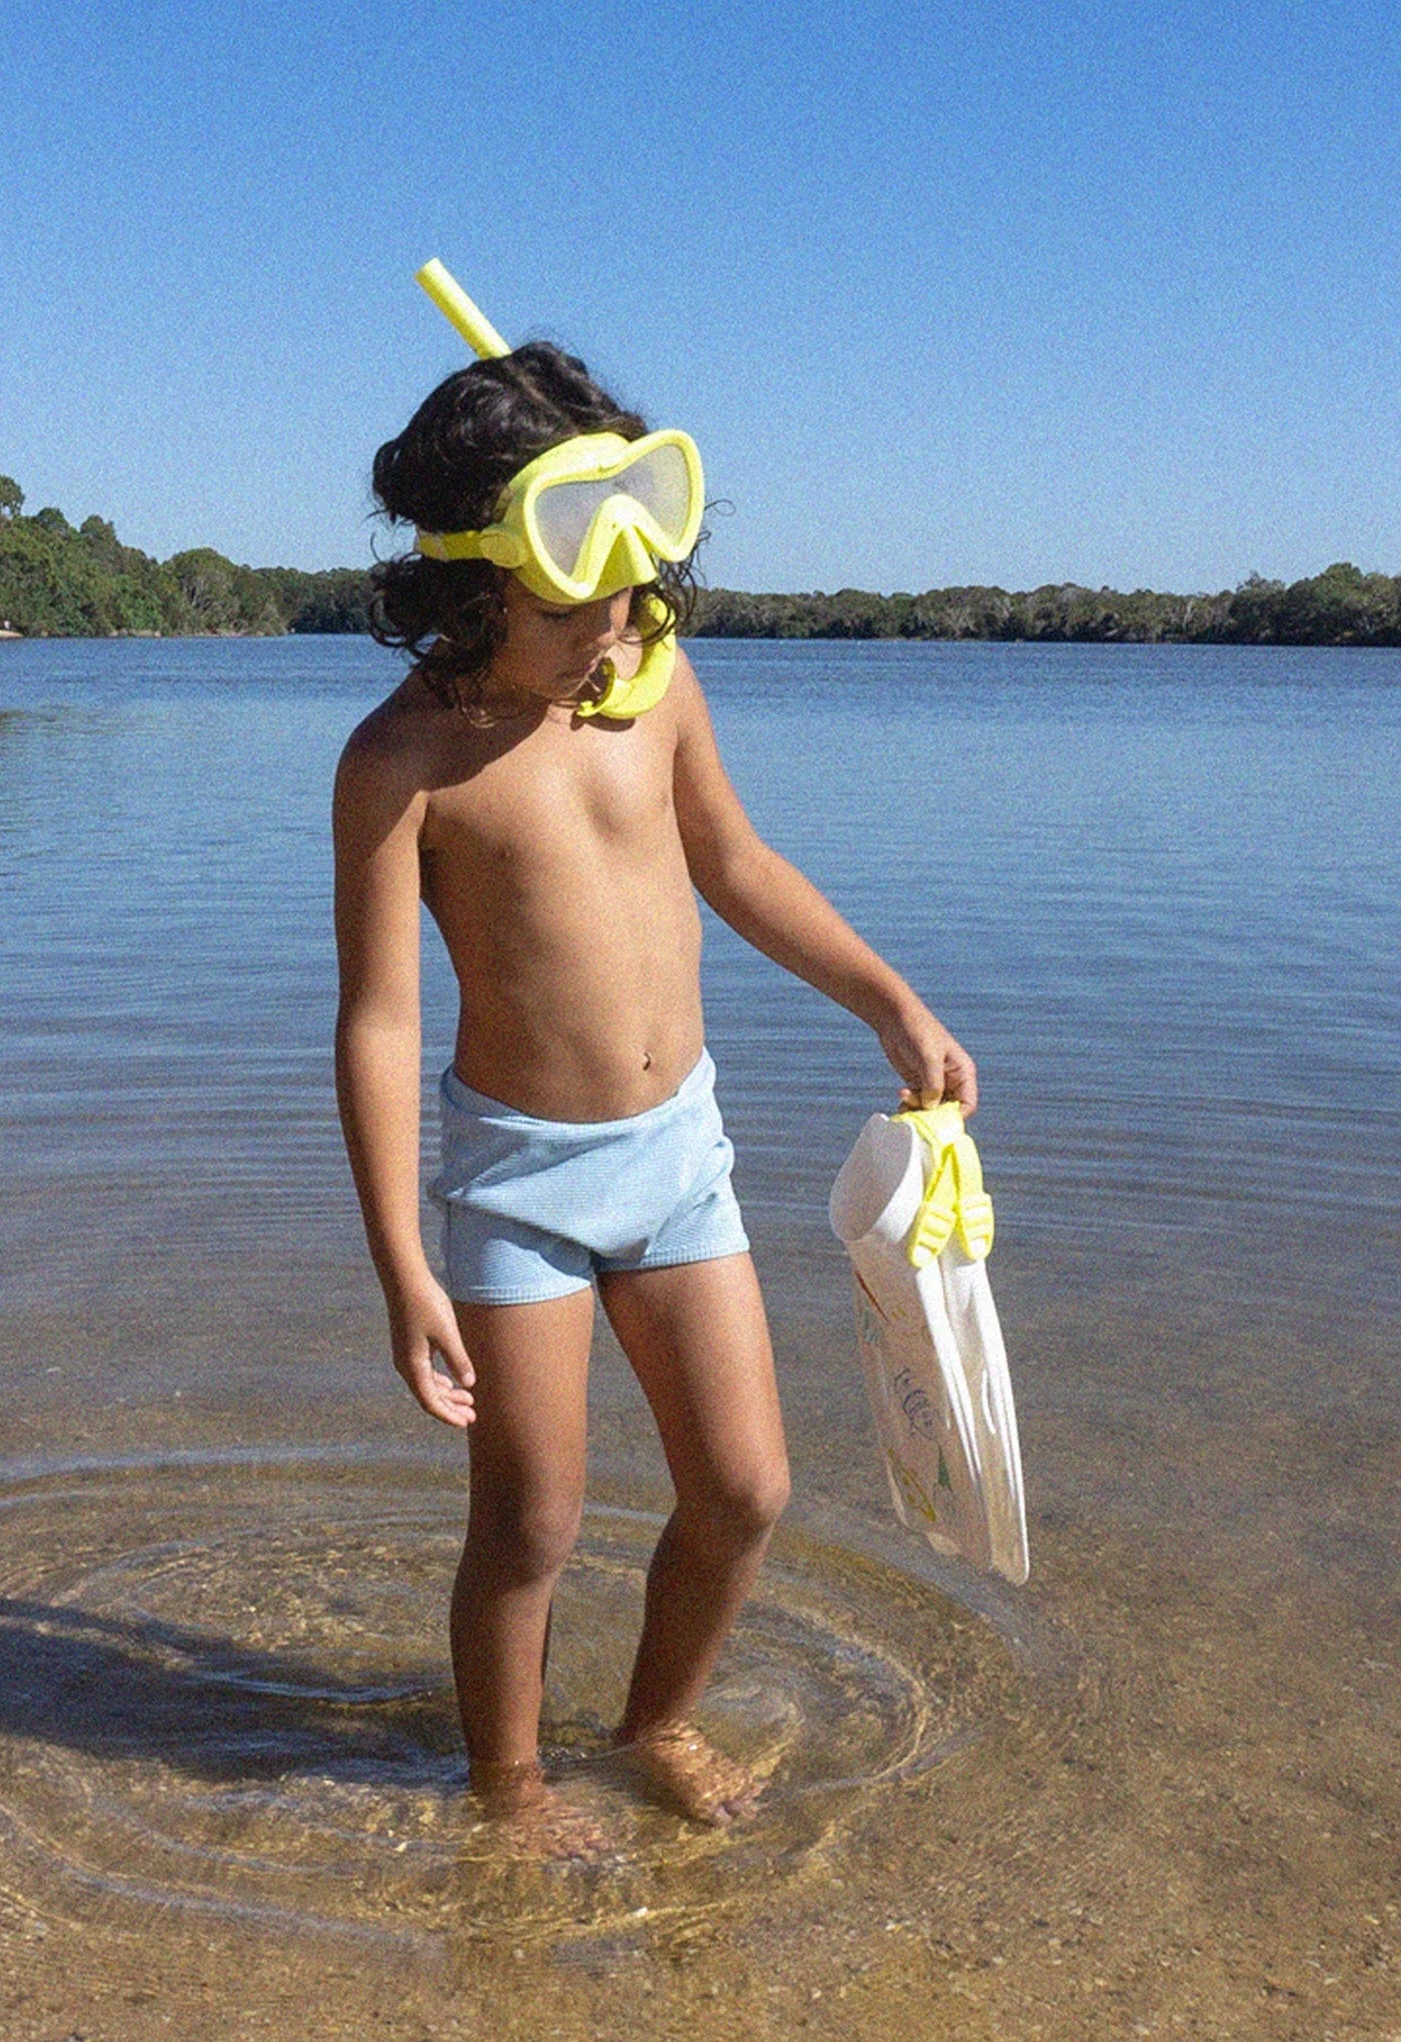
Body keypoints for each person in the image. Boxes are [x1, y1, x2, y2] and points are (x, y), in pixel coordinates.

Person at [333, 281, 975, 1847]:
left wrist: (884, 998)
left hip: (678, 1156)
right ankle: (510, 1789)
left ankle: (657, 1723)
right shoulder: (402, 760)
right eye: (573, 612)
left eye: (632, 594)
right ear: (473, 589)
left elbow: (736, 865)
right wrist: (402, 1264)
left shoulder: (656, 680)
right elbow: (380, 1019)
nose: (610, 632)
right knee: (532, 1520)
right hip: (522, 1184)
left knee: (746, 1488)